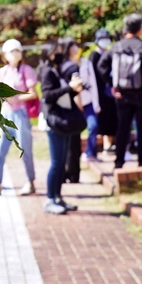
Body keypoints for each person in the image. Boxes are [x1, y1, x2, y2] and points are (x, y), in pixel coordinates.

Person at [108, 13, 142, 169]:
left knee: (122, 128)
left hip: (122, 94)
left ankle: (119, 162)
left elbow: (101, 66)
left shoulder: (117, 47)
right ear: (140, 29)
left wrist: (112, 84)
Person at [39, 40, 86, 215]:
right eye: (55, 52)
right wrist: (69, 87)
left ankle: (58, 197)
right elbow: (48, 96)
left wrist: (75, 89)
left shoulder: (55, 70)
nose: (59, 54)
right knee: (56, 163)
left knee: (62, 162)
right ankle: (50, 199)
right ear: (48, 54)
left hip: (62, 119)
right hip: (54, 121)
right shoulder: (46, 71)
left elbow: (63, 94)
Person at [0, 39, 38, 197]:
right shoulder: (2, 71)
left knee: (25, 149)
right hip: (5, 114)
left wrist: (15, 97)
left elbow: (33, 93)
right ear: (5, 55)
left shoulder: (26, 70)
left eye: (17, 50)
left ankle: (30, 182)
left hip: (20, 114)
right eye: (11, 51)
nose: (15, 53)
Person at [80, 28, 115, 159]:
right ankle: (93, 150)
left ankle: (108, 146)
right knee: (96, 123)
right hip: (98, 94)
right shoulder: (94, 56)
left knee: (110, 120)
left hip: (109, 93)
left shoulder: (109, 53)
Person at [58, 36, 86, 184]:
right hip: (71, 108)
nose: (77, 48)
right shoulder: (73, 67)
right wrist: (79, 107)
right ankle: (73, 175)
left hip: (59, 108)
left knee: (61, 144)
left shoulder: (58, 66)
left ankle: (61, 174)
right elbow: (77, 89)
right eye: (74, 45)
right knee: (74, 144)